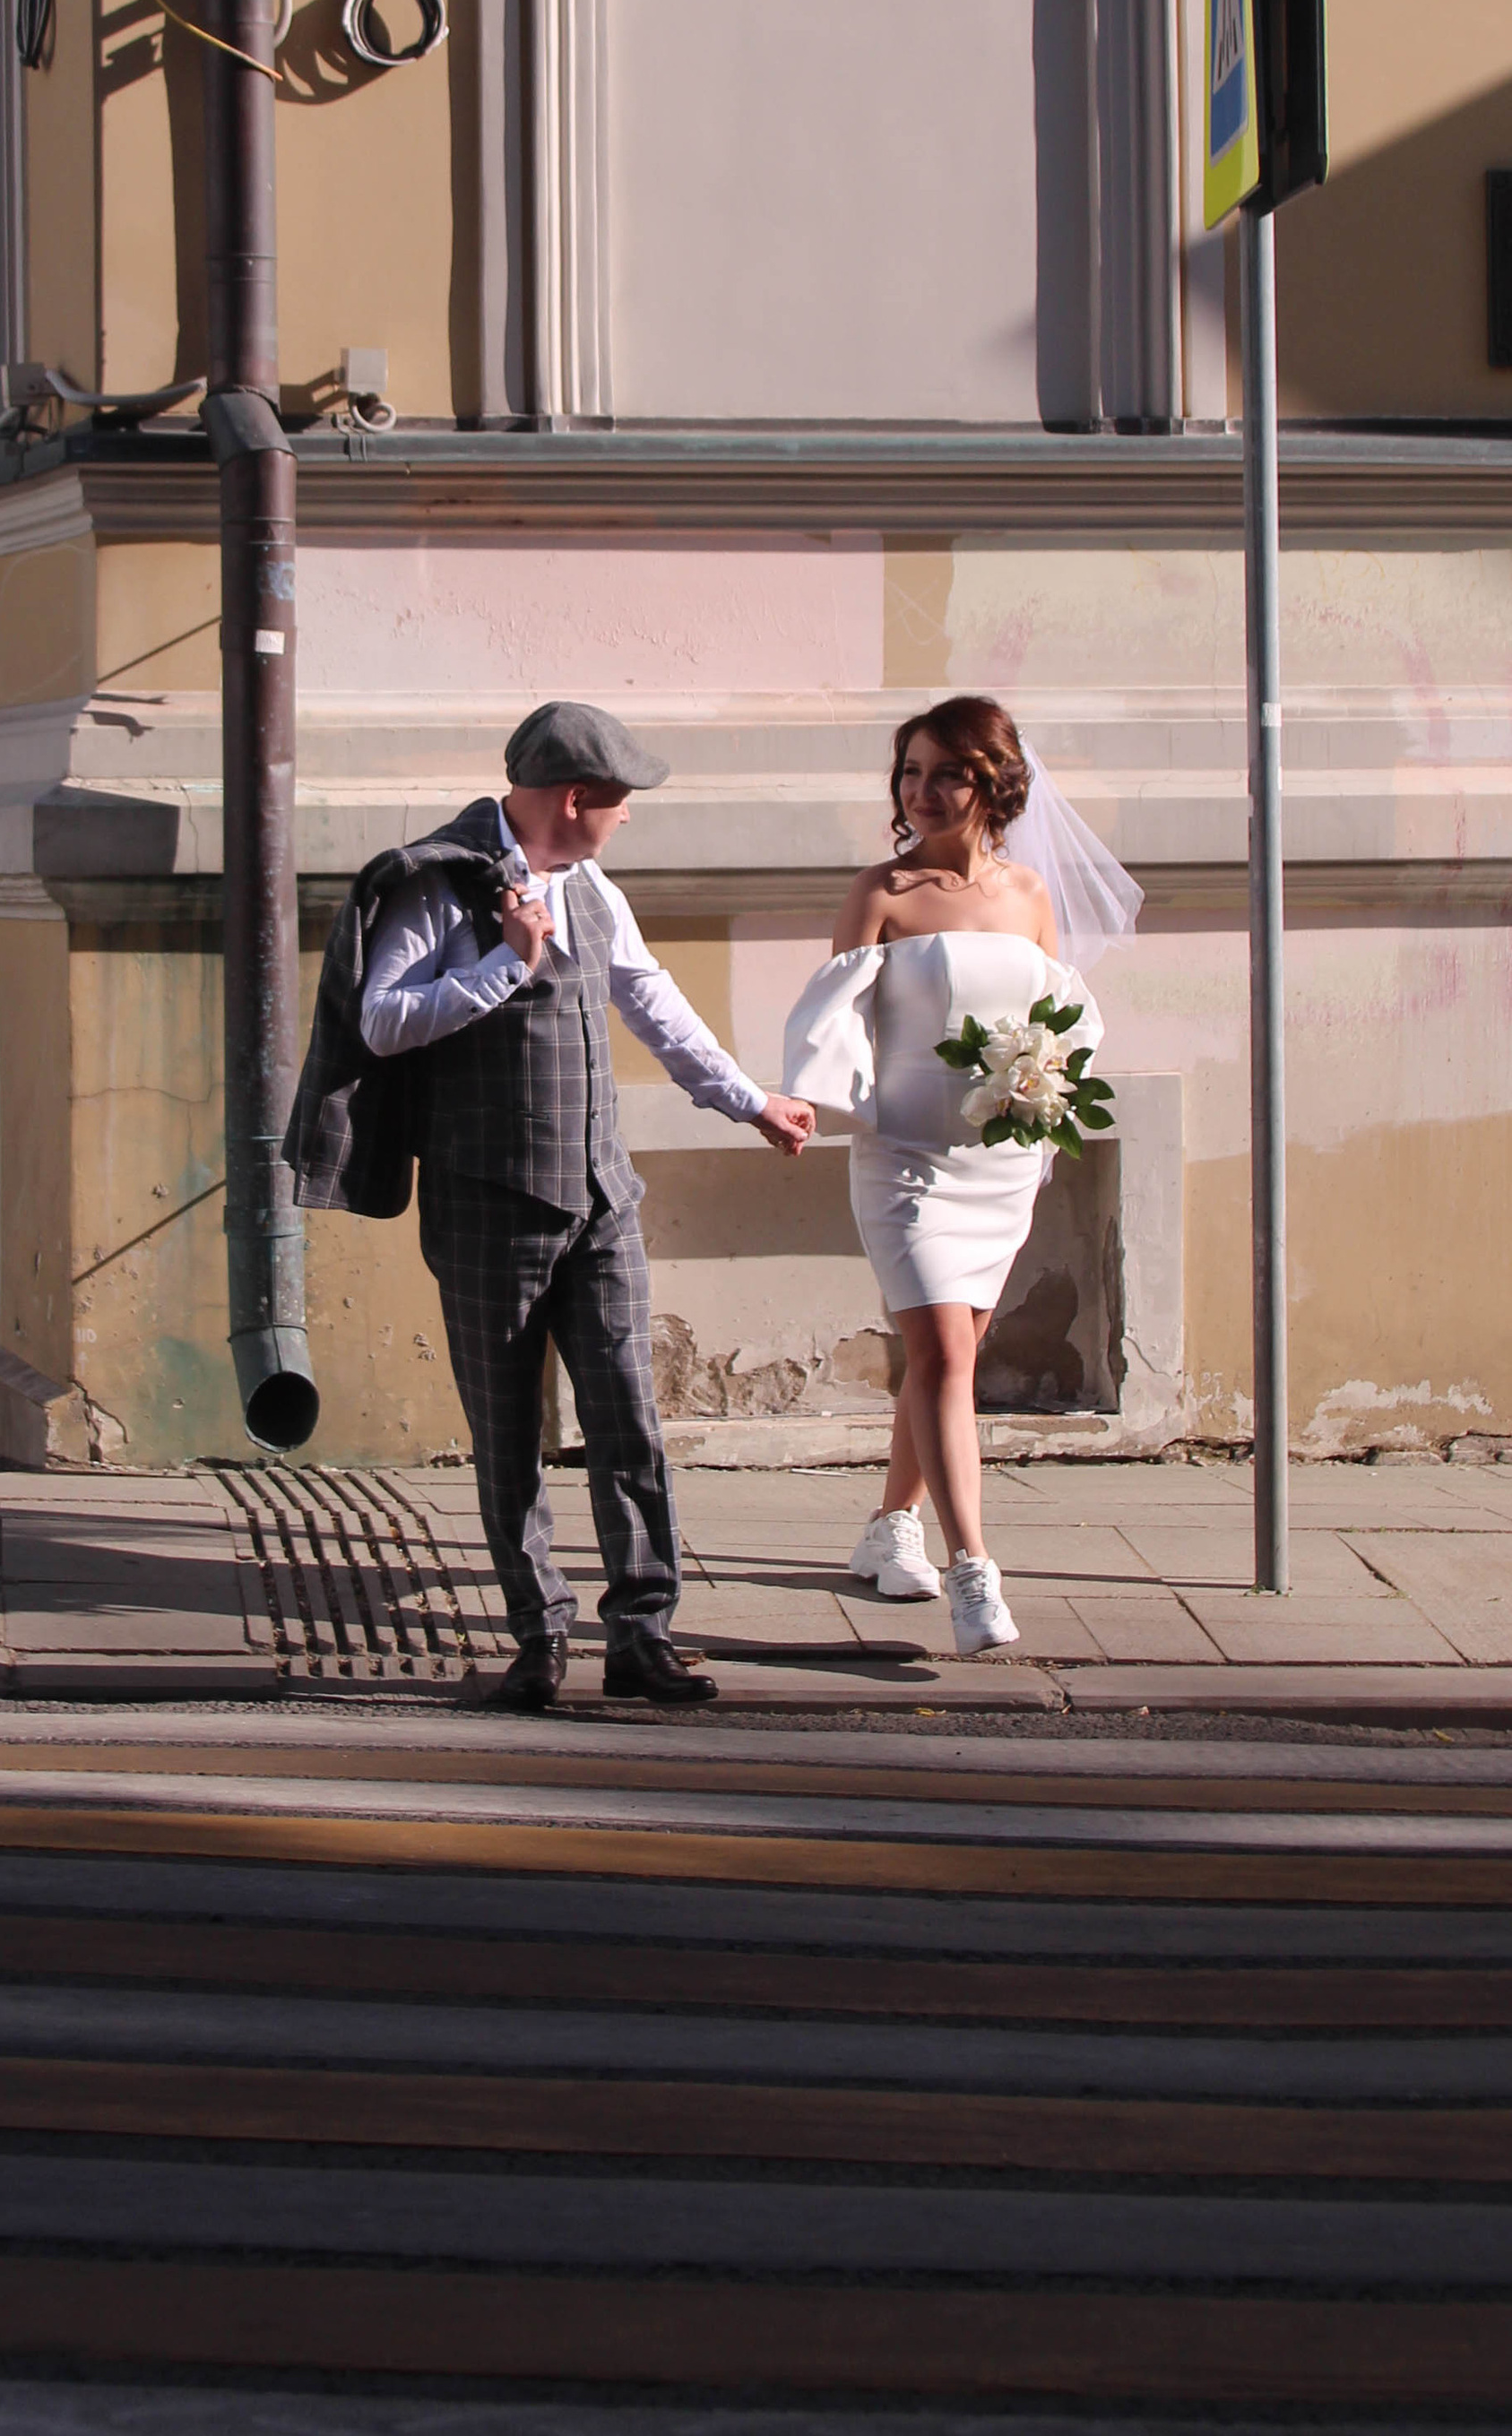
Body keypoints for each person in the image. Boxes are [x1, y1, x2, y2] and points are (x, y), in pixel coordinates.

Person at [285, 701, 816, 1712]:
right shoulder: (439, 885)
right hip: (487, 1202)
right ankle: (538, 1638)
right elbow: (381, 1020)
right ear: (575, 799)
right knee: (507, 1433)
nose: (627, 817)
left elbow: (652, 1000)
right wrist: (506, 964)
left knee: (628, 1419)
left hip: (601, 1198)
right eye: (620, 801)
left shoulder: (593, 889)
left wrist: (749, 1100)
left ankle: (642, 1635)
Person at [781, 695, 1136, 1657]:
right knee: (941, 1350)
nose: (921, 791)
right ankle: (974, 1569)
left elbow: (1058, 1025)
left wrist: (1044, 1086)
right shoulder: (883, 893)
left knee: (950, 1359)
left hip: (998, 1159)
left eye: (946, 773)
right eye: (910, 772)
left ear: (994, 783)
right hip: (906, 1157)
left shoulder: (1030, 897)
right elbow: (833, 1021)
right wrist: (804, 1101)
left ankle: (889, 1525)